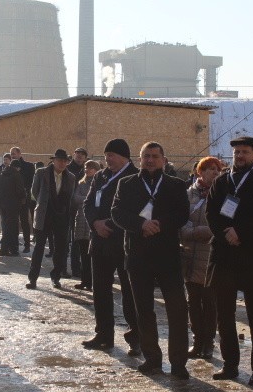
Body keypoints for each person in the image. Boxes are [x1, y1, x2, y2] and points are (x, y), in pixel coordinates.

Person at [205, 136, 253, 386]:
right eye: (237, 151)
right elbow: (211, 213)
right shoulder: (221, 181)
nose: (240, 156)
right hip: (225, 255)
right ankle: (230, 365)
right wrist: (226, 233)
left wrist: (242, 232)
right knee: (224, 314)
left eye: (245, 152)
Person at [111, 141, 190, 378]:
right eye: (146, 156)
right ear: (140, 158)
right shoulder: (126, 184)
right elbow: (117, 212)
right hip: (138, 256)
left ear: (163, 159)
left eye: (155, 156)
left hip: (168, 257)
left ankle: (178, 363)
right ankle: (152, 358)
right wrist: (141, 224)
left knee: (177, 310)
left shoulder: (176, 185)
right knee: (143, 310)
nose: (150, 160)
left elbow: (182, 214)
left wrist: (159, 226)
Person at [82, 138, 140, 356]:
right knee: (101, 291)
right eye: (106, 155)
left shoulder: (134, 177)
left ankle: (136, 336)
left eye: (112, 155)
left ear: (124, 157)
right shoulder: (100, 176)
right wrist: (95, 224)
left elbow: (134, 211)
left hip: (123, 242)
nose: (107, 159)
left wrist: (111, 226)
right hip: (99, 242)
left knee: (129, 291)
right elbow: (88, 204)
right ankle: (103, 334)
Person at [180, 156, 222, 360]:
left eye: (217, 169)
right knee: (193, 302)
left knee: (211, 302)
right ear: (200, 172)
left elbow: (225, 223)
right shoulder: (187, 194)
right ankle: (197, 340)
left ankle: (209, 342)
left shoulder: (223, 195)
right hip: (190, 255)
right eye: (210, 169)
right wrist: (196, 231)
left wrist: (209, 231)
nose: (214, 172)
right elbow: (180, 220)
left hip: (211, 257)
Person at [25, 149, 76, 289]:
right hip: (44, 215)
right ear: (53, 160)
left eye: (65, 161)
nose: (62, 163)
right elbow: (34, 192)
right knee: (39, 247)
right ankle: (33, 278)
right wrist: (43, 203)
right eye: (59, 160)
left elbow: (70, 196)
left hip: (61, 216)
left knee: (60, 249)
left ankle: (56, 277)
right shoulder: (41, 173)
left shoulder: (70, 177)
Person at [72, 160, 100, 291]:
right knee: (83, 253)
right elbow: (76, 198)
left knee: (93, 255)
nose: (87, 170)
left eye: (90, 168)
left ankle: (94, 281)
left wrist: (85, 200)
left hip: (92, 221)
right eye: (86, 168)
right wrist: (87, 200)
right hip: (81, 221)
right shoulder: (81, 183)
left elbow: (96, 201)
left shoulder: (99, 183)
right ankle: (85, 280)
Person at [0, 154, 26, 256]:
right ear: (17, 167)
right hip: (13, 205)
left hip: (3, 204)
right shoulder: (16, 175)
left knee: (6, 227)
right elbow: (20, 190)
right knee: (12, 228)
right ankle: (8, 250)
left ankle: (8, 249)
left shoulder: (2, 174)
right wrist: (23, 197)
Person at [67, 147, 88, 278]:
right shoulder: (68, 169)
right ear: (73, 155)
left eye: (82, 155)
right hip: (69, 208)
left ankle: (82, 268)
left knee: (81, 240)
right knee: (70, 240)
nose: (79, 156)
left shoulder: (88, 169)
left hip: (84, 209)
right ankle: (72, 268)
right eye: (77, 154)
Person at [10, 146, 35, 253]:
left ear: (19, 154)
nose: (12, 156)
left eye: (14, 154)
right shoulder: (10, 167)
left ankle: (27, 244)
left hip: (24, 198)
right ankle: (14, 245)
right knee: (14, 222)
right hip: (13, 199)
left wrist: (24, 191)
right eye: (11, 154)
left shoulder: (28, 166)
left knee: (24, 221)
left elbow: (31, 182)